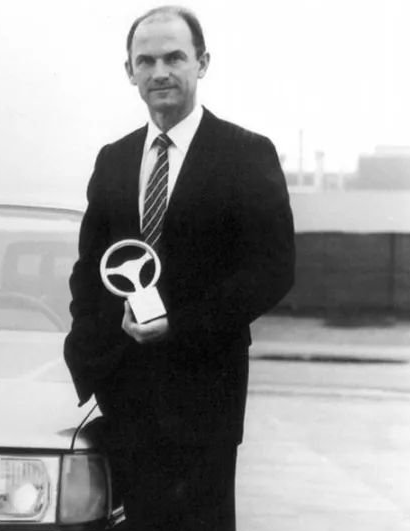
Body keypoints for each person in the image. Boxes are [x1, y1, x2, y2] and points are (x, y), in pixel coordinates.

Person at [63, 6, 295, 531]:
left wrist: (180, 325)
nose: (160, 72)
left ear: (202, 63)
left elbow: (273, 269)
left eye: (174, 58)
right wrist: (89, 350)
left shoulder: (246, 154)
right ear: (129, 71)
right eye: (145, 61)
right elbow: (89, 270)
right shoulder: (114, 159)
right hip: (124, 395)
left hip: (204, 396)